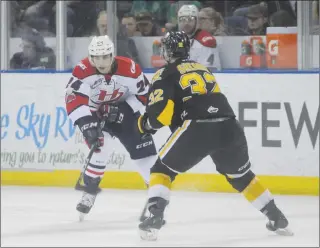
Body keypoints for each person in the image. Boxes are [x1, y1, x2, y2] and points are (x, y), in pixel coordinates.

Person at [136, 31, 293, 241]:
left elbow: (157, 117)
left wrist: (144, 124)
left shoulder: (165, 73)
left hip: (197, 127)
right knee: (242, 177)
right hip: (229, 126)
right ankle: (276, 217)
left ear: (168, 51)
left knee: (161, 171)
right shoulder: (203, 69)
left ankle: (154, 216)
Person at [64, 35, 157, 220]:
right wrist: (86, 124)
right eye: (96, 57)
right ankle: (90, 189)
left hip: (127, 115)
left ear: (112, 55)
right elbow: (73, 98)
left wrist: (123, 109)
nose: (100, 62)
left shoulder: (130, 68)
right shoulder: (82, 70)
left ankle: (156, 199)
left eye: (105, 56)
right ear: (90, 57)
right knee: (100, 147)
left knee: (146, 156)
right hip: (96, 114)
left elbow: (145, 95)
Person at [177, 4, 221, 70]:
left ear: (197, 21)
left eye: (190, 19)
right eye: (182, 19)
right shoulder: (176, 40)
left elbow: (209, 71)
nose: (186, 23)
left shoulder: (206, 41)